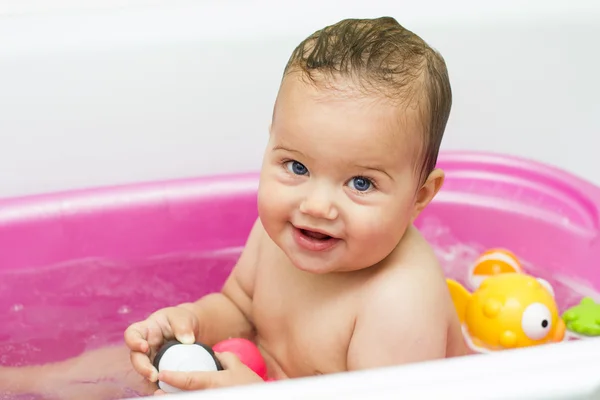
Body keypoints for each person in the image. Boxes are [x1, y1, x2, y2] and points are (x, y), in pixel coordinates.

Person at [0, 16, 468, 399]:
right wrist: (193, 323)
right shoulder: (282, 231)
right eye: (297, 167)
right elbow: (239, 305)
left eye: (360, 182)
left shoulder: (399, 300)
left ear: (420, 197)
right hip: (255, 371)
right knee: (134, 369)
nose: (316, 205)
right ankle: (37, 380)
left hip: (264, 385)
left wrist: (257, 395)